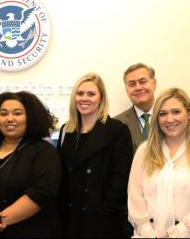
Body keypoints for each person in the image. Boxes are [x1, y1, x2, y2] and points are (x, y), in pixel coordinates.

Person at [0, 91, 61, 238]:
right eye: (3, 114)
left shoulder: (45, 152)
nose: (9, 119)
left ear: (30, 117)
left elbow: (41, 193)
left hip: (27, 231)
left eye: (17, 113)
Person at [127, 88, 190, 238]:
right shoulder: (144, 151)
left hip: (189, 235)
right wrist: (147, 232)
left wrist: (176, 234)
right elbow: (135, 196)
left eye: (176, 112)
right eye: (163, 114)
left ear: (189, 114)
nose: (169, 119)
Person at [57, 72, 134, 238]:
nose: (84, 98)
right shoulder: (67, 130)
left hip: (102, 222)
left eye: (91, 94)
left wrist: (104, 209)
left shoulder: (117, 130)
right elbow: (62, 176)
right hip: (70, 220)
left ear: (101, 98)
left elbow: (121, 177)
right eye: (80, 93)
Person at [115, 63, 158, 153]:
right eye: (132, 84)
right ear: (127, 90)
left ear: (154, 84)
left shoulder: (172, 117)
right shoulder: (117, 124)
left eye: (143, 82)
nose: (138, 87)